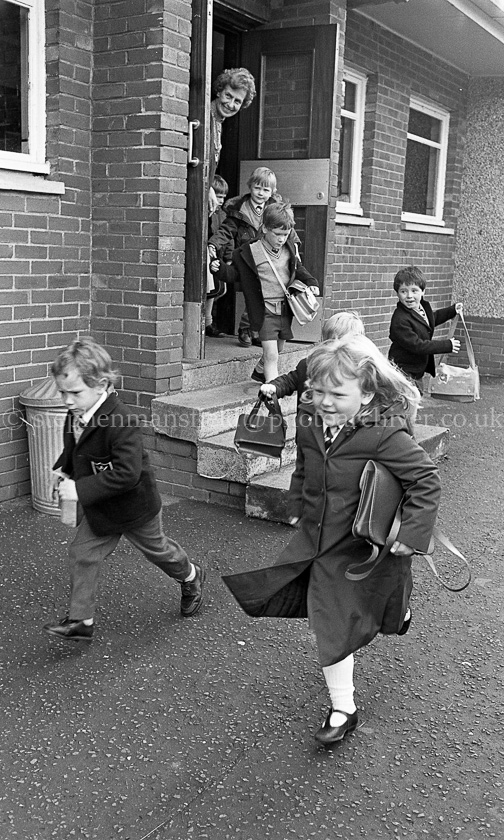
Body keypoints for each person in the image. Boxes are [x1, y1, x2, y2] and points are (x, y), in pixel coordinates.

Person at [222, 335, 440, 745]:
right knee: (332, 620)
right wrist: (294, 502)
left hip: (363, 544)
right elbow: (305, 466)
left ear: (367, 393)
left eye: (337, 394)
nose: (323, 401)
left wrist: (412, 534)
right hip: (319, 541)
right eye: (316, 391)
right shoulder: (309, 421)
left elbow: (425, 479)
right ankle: (344, 708)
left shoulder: (385, 434)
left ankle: (398, 606)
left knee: (374, 601)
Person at [43, 337, 205, 642]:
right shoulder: (76, 412)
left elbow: (127, 474)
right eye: (62, 392)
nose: (67, 400)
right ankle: (81, 621)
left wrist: (79, 490)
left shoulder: (121, 420)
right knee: (82, 553)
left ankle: (192, 576)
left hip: (135, 508)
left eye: (74, 393)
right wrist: (63, 471)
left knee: (159, 552)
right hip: (102, 508)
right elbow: (76, 449)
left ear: (101, 384)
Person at [212, 202, 319, 382]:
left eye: (285, 234)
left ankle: (260, 371)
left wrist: (311, 282)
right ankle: (272, 393)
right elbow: (236, 275)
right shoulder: (249, 251)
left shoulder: (289, 248)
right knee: (272, 356)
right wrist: (219, 269)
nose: (281, 239)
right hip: (264, 310)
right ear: (264, 228)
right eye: (277, 234)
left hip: (285, 310)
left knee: (279, 349)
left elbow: (297, 267)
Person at [209, 166, 283, 348]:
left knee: (265, 293)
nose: (261, 193)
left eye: (266, 190)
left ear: (272, 192)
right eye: (257, 188)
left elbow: (286, 229)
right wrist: (213, 244)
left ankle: (251, 329)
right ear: (250, 187)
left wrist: (294, 246)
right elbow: (226, 230)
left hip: (267, 258)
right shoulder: (239, 210)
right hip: (246, 257)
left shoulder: (275, 210)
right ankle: (247, 328)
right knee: (256, 292)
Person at [259, 310, 365, 405]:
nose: (335, 346)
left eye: (343, 343)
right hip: (309, 423)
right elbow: (289, 381)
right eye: (330, 341)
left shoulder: (362, 372)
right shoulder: (309, 365)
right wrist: (274, 387)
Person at [388, 265, 463, 392]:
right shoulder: (400, 320)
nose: (409, 296)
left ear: (423, 291)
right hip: (403, 371)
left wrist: (452, 310)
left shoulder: (421, 308)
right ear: (397, 293)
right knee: (405, 405)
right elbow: (418, 345)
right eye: (403, 291)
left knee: (412, 403)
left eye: (414, 290)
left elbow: (431, 320)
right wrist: (446, 345)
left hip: (416, 370)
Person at [208, 67, 256, 214]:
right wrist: (207, 188)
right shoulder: (206, 117)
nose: (230, 104)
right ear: (219, 91)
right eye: (228, 96)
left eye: (237, 101)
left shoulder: (218, 121)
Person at [205, 175, 229, 338]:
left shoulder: (222, 214)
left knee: (219, 289)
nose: (220, 201)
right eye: (218, 196)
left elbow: (228, 237)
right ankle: (207, 322)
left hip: (217, 256)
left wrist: (228, 257)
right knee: (211, 290)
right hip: (207, 255)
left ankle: (207, 320)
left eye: (223, 197)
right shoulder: (208, 212)